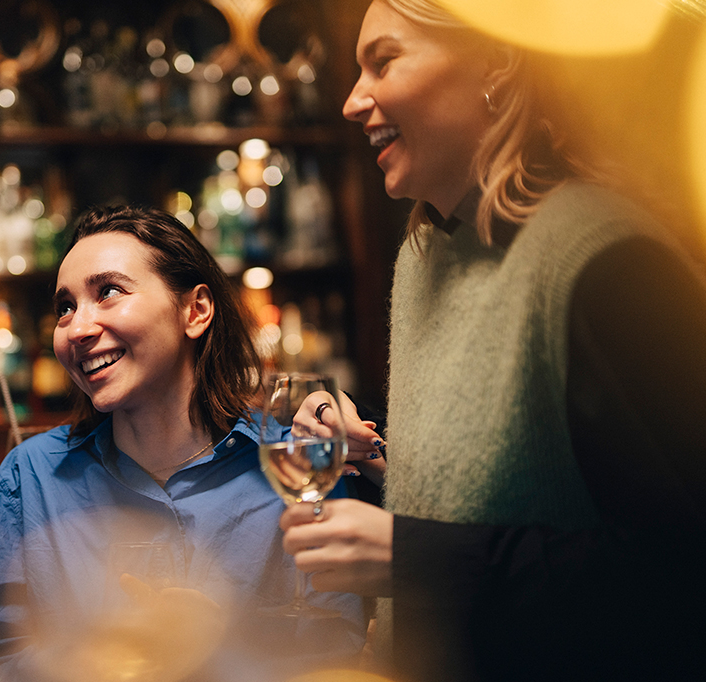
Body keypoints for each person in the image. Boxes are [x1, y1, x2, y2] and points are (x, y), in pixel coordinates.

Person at [279, 1, 706, 681]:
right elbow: (529, 488)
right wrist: (384, 458)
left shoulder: (607, 261)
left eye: (383, 61)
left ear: (498, 66)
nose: (353, 102)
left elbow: (680, 579)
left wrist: (414, 558)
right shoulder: (424, 256)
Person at [0, 206, 384, 682]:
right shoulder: (30, 477)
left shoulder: (296, 462)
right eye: (65, 307)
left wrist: (216, 649)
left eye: (108, 292)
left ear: (195, 311)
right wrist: (90, 655)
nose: (76, 328)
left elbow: (335, 654)